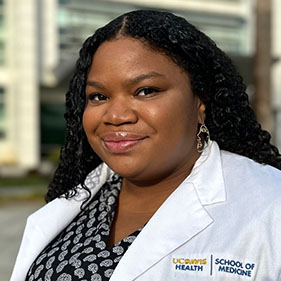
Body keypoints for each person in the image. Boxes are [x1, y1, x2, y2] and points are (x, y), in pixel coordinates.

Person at [11, 10, 281, 281]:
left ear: (200, 100)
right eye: (98, 96)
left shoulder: (270, 204)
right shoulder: (79, 203)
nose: (116, 116)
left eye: (146, 91)